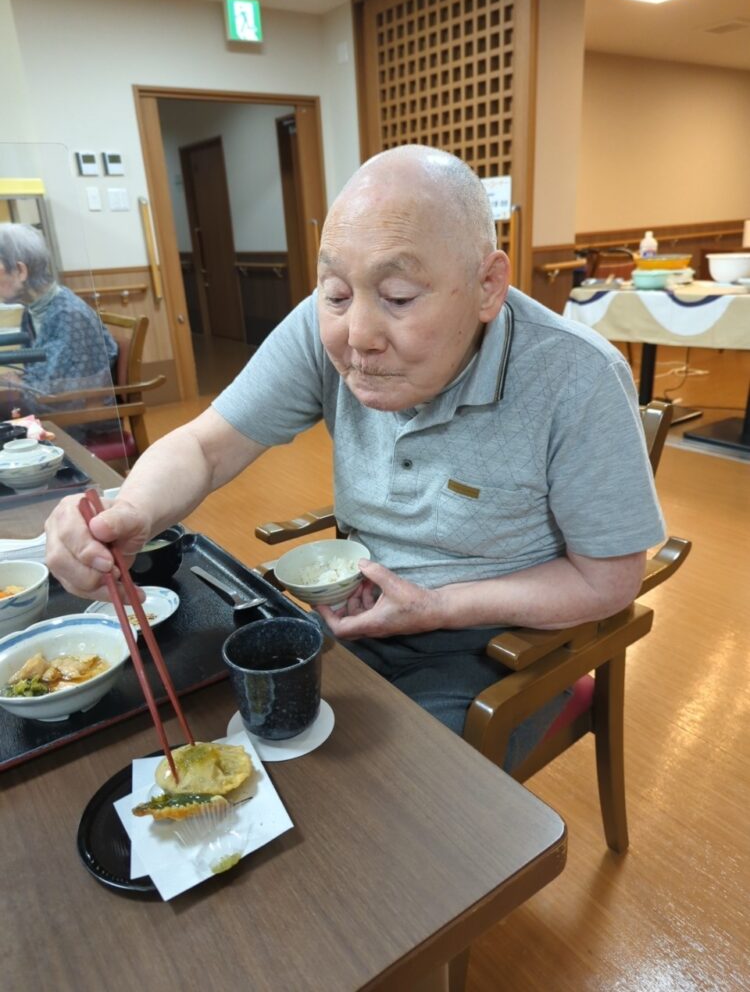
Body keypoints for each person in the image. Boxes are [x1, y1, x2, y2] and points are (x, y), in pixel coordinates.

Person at [44, 146, 665, 770]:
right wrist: (131, 513)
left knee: (371, 811)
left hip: (496, 647)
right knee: (180, 722)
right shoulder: (327, 329)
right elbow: (206, 446)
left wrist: (441, 607)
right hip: (349, 612)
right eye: (337, 292)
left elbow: (608, 579)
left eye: (397, 297)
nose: (357, 336)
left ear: (487, 285)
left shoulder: (575, 378)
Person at [0, 222, 118, 417]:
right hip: (50, 412)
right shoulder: (35, 310)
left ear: (21, 271)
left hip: (79, 423)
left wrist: (18, 382)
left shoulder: (68, 315)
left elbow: (62, 395)